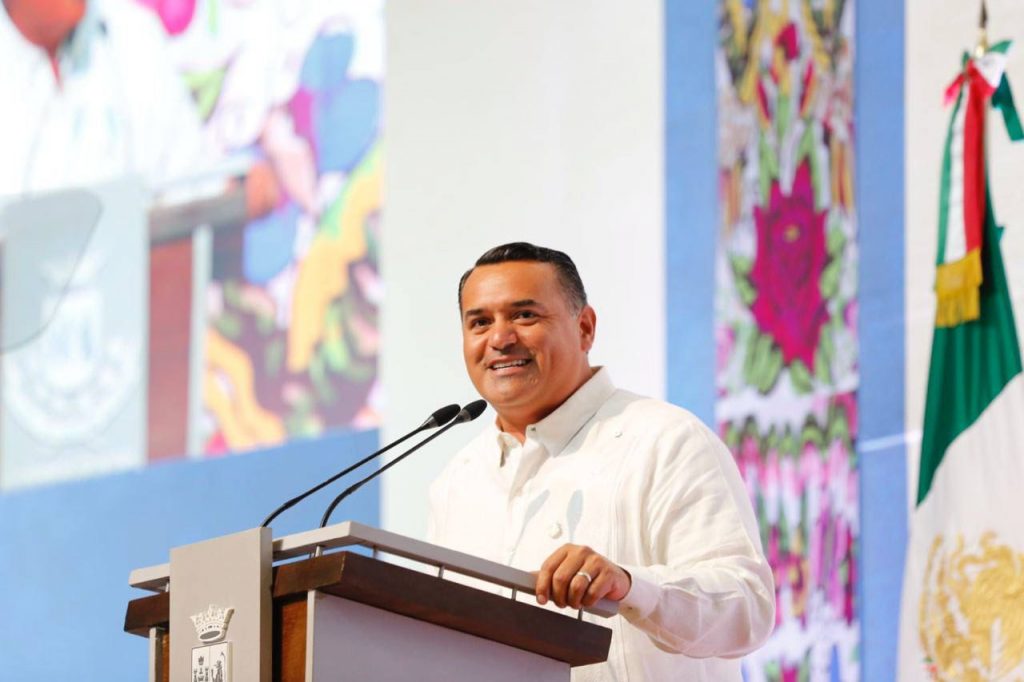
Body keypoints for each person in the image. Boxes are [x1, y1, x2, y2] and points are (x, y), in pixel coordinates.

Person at [428, 242, 775, 681]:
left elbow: (747, 607)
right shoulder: (457, 480)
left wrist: (631, 586)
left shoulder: (665, 439)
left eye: (525, 315)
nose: (500, 339)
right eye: (480, 322)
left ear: (585, 328)